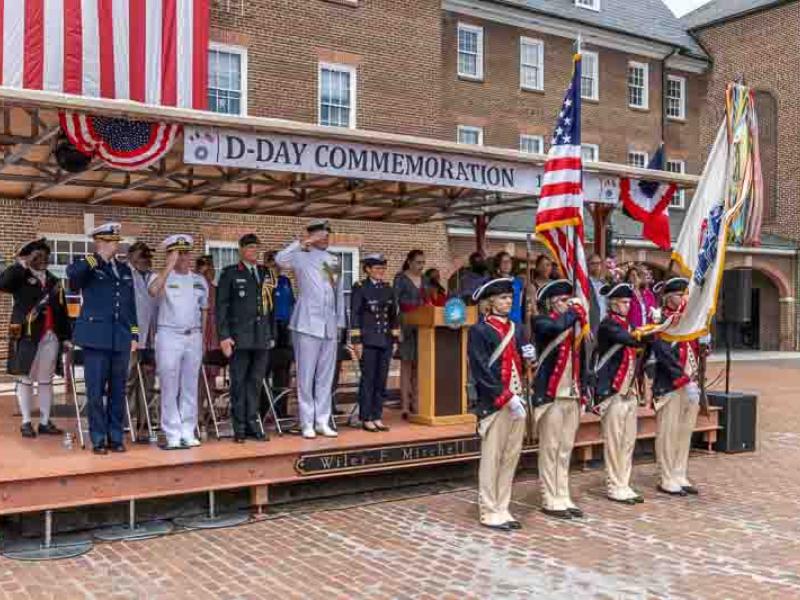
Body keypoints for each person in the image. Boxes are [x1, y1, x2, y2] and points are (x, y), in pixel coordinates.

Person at [594, 283, 672, 504]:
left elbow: (640, 348)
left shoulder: (627, 324)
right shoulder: (608, 325)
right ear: (612, 303)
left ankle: (624, 482)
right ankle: (613, 484)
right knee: (615, 441)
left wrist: (653, 331)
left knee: (628, 441)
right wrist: (658, 327)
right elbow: (630, 339)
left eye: (629, 302)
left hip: (629, 390)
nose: (627, 306)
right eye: (623, 302)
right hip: (613, 391)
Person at [468, 278, 536, 531]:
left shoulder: (517, 328)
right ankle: (488, 509)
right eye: (503, 298)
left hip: (518, 399)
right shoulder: (480, 330)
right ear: (490, 302)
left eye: (509, 298)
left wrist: (531, 356)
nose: (508, 302)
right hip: (497, 403)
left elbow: (522, 363)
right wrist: (507, 397)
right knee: (492, 458)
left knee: (510, 457)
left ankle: (502, 506)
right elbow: (481, 370)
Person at [67, 223, 138, 455]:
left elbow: (129, 304)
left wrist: (134, 333)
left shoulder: (124, 269)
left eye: (115, 242)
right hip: (96, 338)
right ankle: (98, 438)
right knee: (96, 391)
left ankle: (115, 436)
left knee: (118, 390)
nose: (113, 246)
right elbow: (73, 277)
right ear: (98, 242)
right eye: (108, 242)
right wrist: (96, 258)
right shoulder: (88, 265)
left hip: (120, 338)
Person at [276, 220, 345, 439]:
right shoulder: (300, 256)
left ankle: (322, 420)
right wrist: (302, 242)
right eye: (322, 235)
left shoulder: (333, 259)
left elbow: (337, 293)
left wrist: (340, 323)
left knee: (325, 376)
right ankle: (306, 421)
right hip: (306, 322)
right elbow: (279, 259)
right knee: (305, 375)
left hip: (328, 324)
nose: (326, 239)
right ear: (313, 236)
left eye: (327, 236)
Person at [0, 239, 70, 438]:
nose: (43, 259)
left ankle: (46, 421)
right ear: (29, 257)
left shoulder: (54, 281)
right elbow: (2, 283)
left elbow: (62, 312)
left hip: (50, 336)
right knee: (25, 379)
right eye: (38, 256)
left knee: (46, 380)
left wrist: (65, 337)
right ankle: (26, 422)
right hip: (27, 335)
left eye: (45, 256)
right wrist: (21, 264)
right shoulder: (19, 277)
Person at [531, 279, 589, 519]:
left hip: (571, 394)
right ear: (551, 303)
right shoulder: (542, 322)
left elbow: (582, 359)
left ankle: (562, 494)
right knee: (551, 448)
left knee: (565, 449)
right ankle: (549, 496)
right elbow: (554, 330)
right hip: (552, 396)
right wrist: (575, 313)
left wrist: (584, 390)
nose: (569, 304)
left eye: (569, 300)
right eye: (563, 301)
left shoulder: (573, 327)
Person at [148, 235, 207, 449]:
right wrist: (168, 266)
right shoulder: (160, 277)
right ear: (170, 254)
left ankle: (188, 430)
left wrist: (202, 339)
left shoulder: (198, 280)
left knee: (190, 385)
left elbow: (204, 310)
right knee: (169, 385)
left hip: (193, 335)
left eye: (186, 252)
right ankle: (172, 431)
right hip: (168, 335)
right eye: (178, 253)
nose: (183, 257)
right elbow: (153, 291)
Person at [217, 233, 275, 443]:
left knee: (256, 383)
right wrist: (224, 336)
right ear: (240, 250)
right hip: (239, 338)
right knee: (239, 383)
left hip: (261, 337)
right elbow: (221, 308)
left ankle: (253, 423)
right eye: (250, 248)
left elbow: (270, 307)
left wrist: (271, 334)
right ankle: (239, 427)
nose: (254, 252)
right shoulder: (230, 273)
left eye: (256, 248)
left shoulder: (264, 272)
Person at [651, 277, 702, 497]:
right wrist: (683, 379)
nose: (683, 299)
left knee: (684, 431)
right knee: (668, 433)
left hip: (690, 383)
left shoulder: (689, 321)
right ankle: (666, 476)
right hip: (671, 385)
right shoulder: (661, 321)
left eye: (684, 295)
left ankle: (679, 471)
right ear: (667, 297)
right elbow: (663, 354)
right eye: (679, 295)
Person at [350, 253, 399, 433]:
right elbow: (354, 314)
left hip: (384, 340)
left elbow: (394, 315)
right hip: (368, 340)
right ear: (368, 269)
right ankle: (366, 417)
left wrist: (394, 339)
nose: (381, 272)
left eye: (383, 268)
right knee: (368, 380)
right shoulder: (360, 288)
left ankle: (377, 415)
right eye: (377, 268)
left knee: (381, 380)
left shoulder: (388, 288)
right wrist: (356, 340)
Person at [125, 242, 158, 440]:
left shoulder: (152, 277)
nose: (146, 259)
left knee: (146, 382)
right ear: (131, 257)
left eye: (148, 256)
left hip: (150, 338)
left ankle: (144, 423)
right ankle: (126, 421)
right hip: (131, 338)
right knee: (127, 381)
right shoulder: (126, 275)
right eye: (141, 255)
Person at [393, 249, 426, 419]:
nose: (421, 266)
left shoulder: (425, 279)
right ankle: (405, 405)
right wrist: (396, 329)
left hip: (422, 325)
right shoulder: (400, 278)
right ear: (410, 262)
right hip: (405, 324)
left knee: (419, 367)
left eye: (423, 263)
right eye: (418, 262)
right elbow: (394, 303)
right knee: (406, 365)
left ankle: (417, 403)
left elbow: (428, 301)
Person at [263, 250, 295, 419]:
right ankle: (263, 410)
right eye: (274, 264)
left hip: (286, 328)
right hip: (270, 327)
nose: (277, 267)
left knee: (283, 371)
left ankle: (281, 410)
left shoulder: (285, 281)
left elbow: (292, 304)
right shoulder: (264, 282)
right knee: (265, 370)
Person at [195, 255, 220, 430]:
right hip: (199, 333)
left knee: (211, 377)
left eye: (210, 268)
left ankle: (210, 411)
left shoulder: (216, 290)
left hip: (214, 334)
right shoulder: (195, 288)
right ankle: (197, 414)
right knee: (198, 377)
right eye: (204, 269)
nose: (208, 272)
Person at [493, 251, 525, 324]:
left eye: (509, 261)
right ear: (498, 264)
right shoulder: (493, 282)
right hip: (499, 321)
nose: (507, 264)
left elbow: (522, 303)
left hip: (516, 320)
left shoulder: (519, 282)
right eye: (503, 262)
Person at [525, 254, 554, 322]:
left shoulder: (554, 284)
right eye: (542, 265)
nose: (545, 268)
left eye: (548, 265)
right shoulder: (532, 286)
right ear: (537, 268)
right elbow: (532, 310)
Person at [587, 253, 608, 334]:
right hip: (591, 327)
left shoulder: (605, 283)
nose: (596, 266)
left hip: (605, 325)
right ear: (587, 265)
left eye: (599, 263)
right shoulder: (584, 284)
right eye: (593, 263)